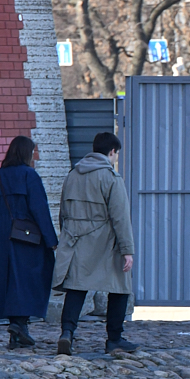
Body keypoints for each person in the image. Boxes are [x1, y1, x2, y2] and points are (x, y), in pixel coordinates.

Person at [52, 131, 137, 355]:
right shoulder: (111, 178)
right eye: (116, 154)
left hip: (76, 241)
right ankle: (114, 339)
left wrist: (67, 239)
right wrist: (127, 250)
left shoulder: (72, 174)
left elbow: (63, 212)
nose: (116, 158)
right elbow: (120, 217)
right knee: (120, 287)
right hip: (105, 243)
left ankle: (67, 333)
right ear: (111, 152)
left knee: (76, 288)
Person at [0, 136, 57, 350]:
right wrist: (50, 240)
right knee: (29, 278)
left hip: (0, 236)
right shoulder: (29, 175)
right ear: (26, 153)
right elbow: (39, 209)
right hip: (26, 236)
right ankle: (20, 325)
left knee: (6, 280)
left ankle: (17, 328)